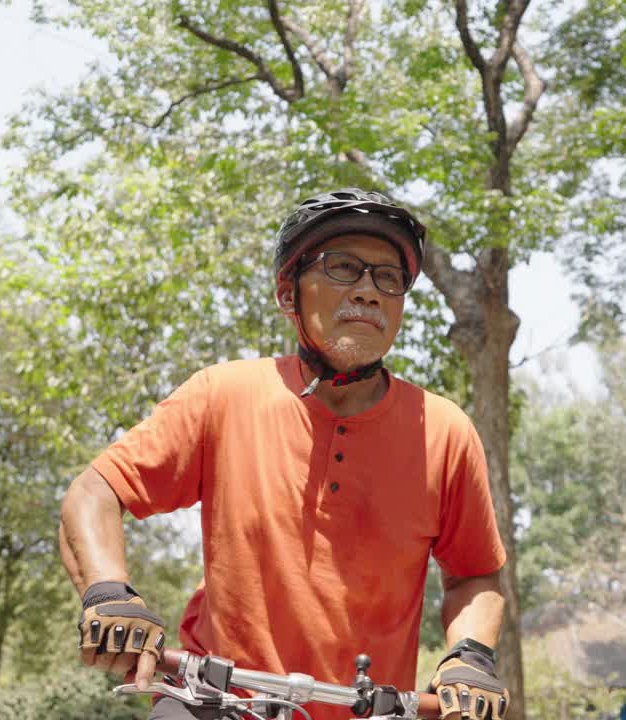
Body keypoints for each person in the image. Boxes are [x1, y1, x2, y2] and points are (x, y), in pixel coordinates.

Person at [59, 188, 510, 720]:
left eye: (388, 278)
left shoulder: (444, 431)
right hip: (216, 701)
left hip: (367, 710)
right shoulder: (223, 395)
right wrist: (110, 594)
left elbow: (475, 573)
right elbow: (96, 491)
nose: (368, 291)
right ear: (287, 293)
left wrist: (471, 655)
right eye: (344, 268)